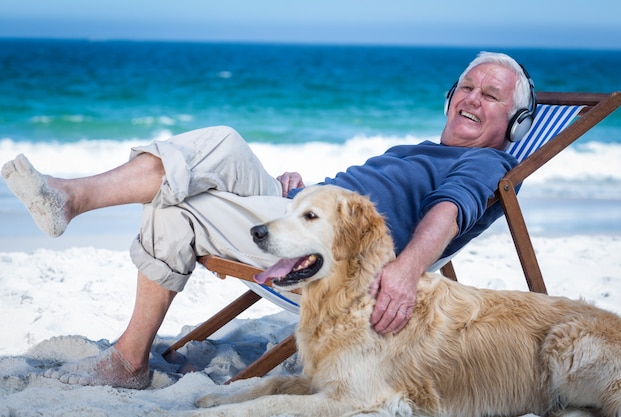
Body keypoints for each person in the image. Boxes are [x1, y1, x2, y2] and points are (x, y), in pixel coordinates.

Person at [1, 51, 534, 389]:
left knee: (178, 204)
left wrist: (407, 270)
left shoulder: (486, 162)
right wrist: (300, 194)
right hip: (303, 213)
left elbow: (449, 211)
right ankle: (74, 211)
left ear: (515, 122)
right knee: (225, 143)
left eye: (490, 96)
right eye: (466, 87)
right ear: (449, 96)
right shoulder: (415, 148)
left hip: (336, 254)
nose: (471, 98)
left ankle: (122, 344)